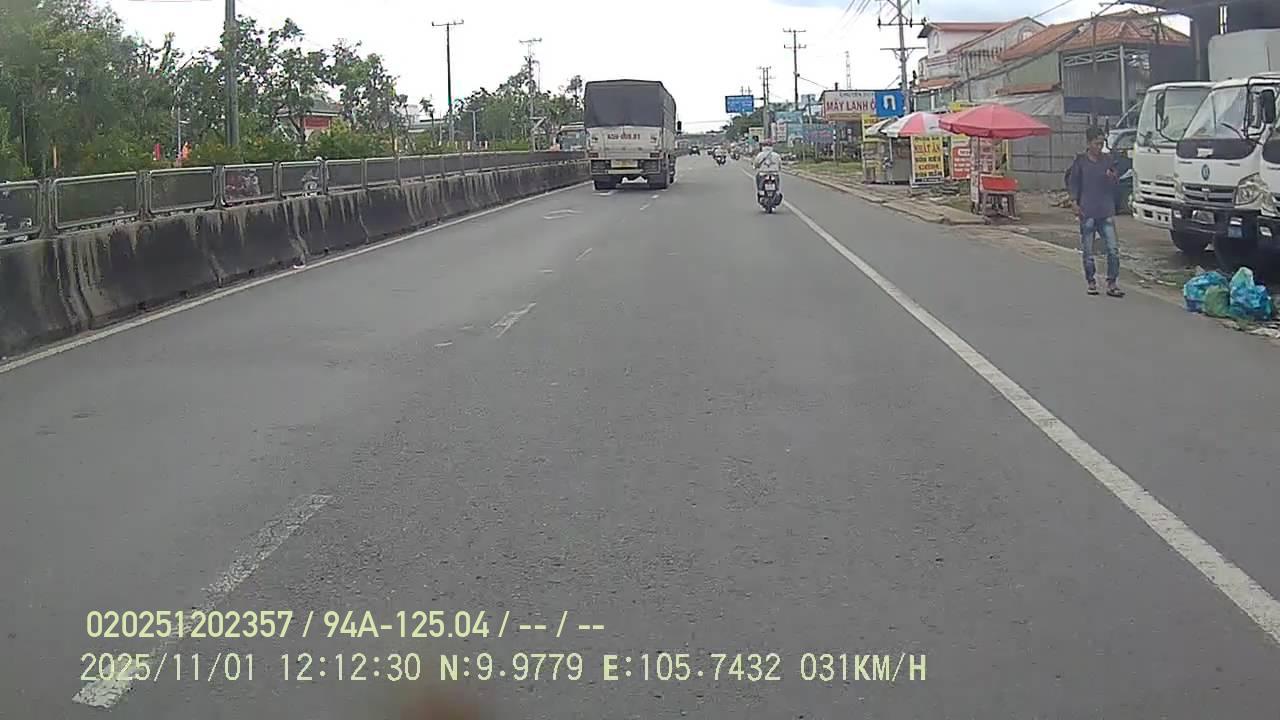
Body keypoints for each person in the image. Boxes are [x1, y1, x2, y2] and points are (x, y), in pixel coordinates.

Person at [1067, 126, 1125, 297]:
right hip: (1087, 211)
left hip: (1106, 211)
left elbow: (1116, 183)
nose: (1099, 147)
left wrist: (1112, 177)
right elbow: (1073, 183)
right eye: (1096, 144)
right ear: (1088, 143)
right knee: (1088, 251)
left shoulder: (1108, 160)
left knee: (1113, 250)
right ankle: (1091, 281)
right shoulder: (1081, 162)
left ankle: (1112, 282)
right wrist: (1073, 202)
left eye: (1101, 144)